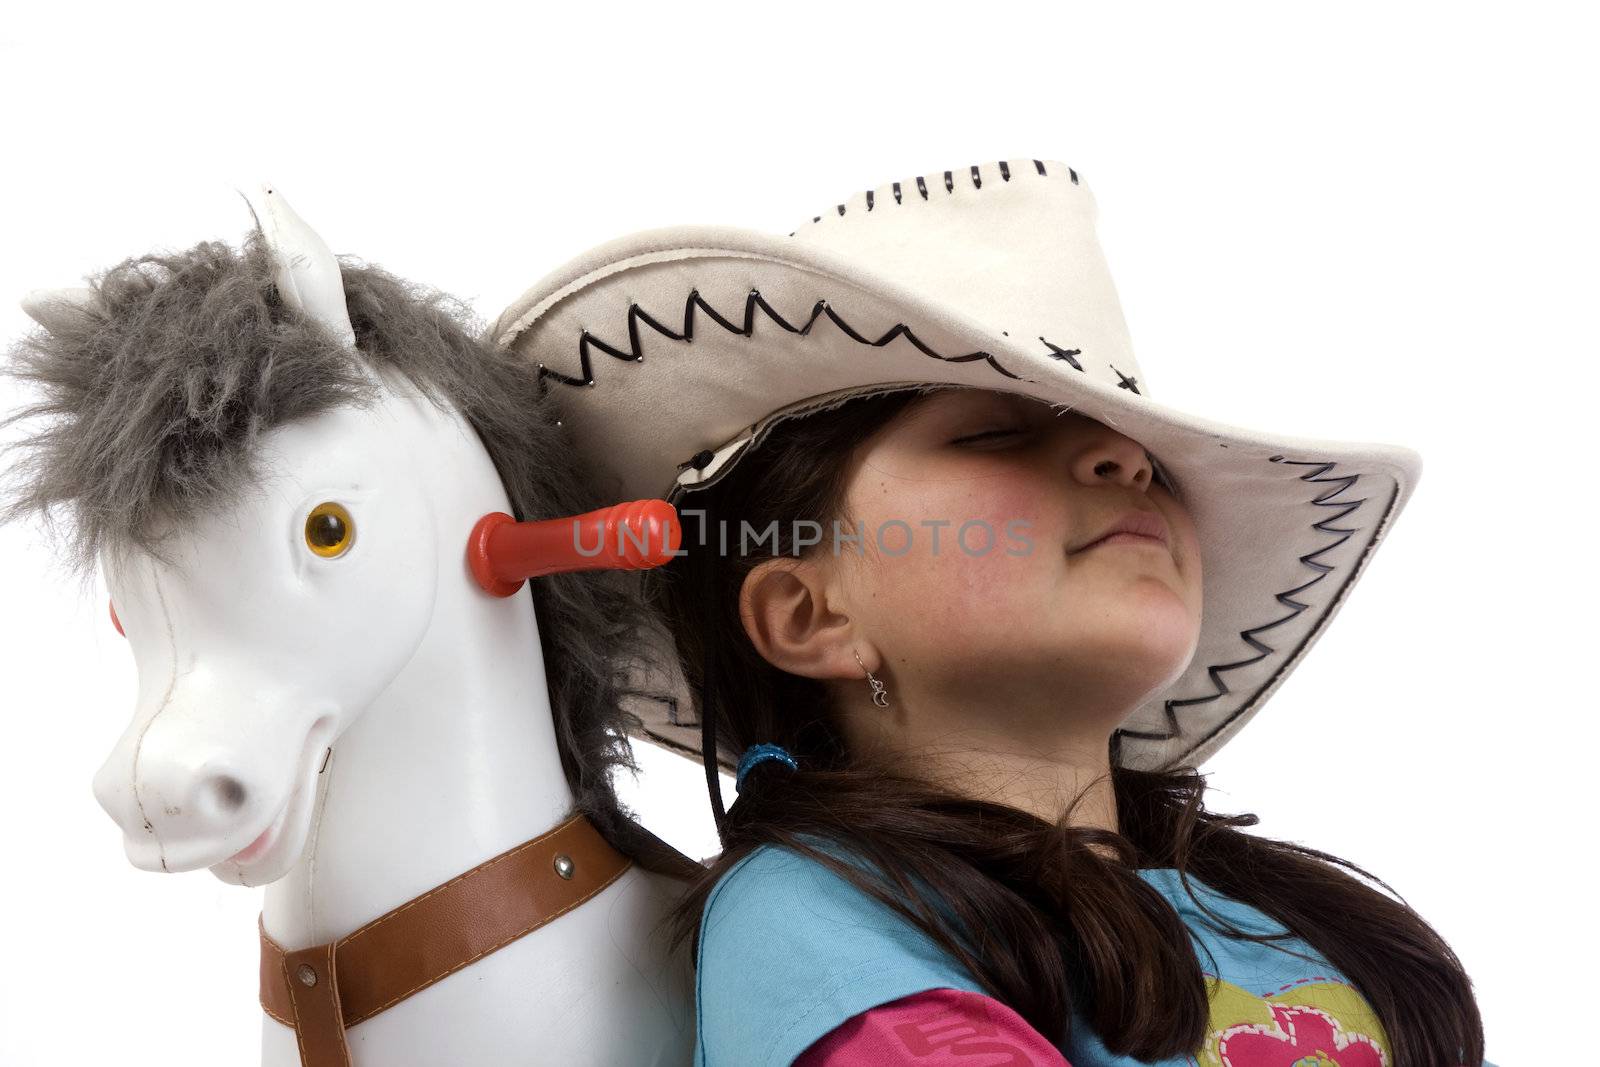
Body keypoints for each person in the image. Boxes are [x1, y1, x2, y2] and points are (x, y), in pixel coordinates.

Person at [491, 159, 1493, 1066]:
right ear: (809, 615)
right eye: (995, 432)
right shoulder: (819, 911)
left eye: (1131, 443)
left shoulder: (1304, 927)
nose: (1125, 459)